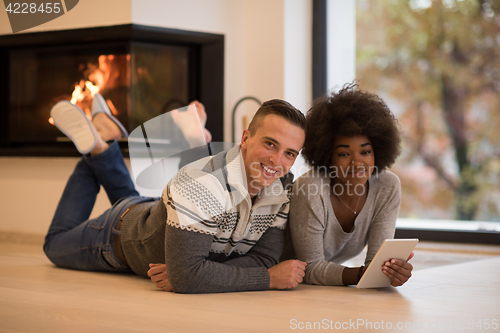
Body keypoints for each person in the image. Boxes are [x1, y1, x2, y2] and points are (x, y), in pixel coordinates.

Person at [44, 93, 307, 293]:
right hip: (116, 237)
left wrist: (199, 273)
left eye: (290, 153)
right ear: (246, 138)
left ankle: (103, 142)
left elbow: (263, 258)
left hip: (156, 216)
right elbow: (189, 276)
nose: (277, 161)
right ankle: (97, 148)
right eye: (270, 144)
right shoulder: (201, 184)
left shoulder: (282, 188)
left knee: (147, 211)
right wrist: (269, 278)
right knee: (53, 245)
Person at [281, 83, 414, 287]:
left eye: (365, 152)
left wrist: (392, 271)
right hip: (281, 285)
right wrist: (365, 275)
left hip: (321, 291)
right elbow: (310, 268)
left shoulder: (386, 186)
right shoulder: (310, 187)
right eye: (344, 154)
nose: (357, 163)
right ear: (327, 157)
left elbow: (376, 267)